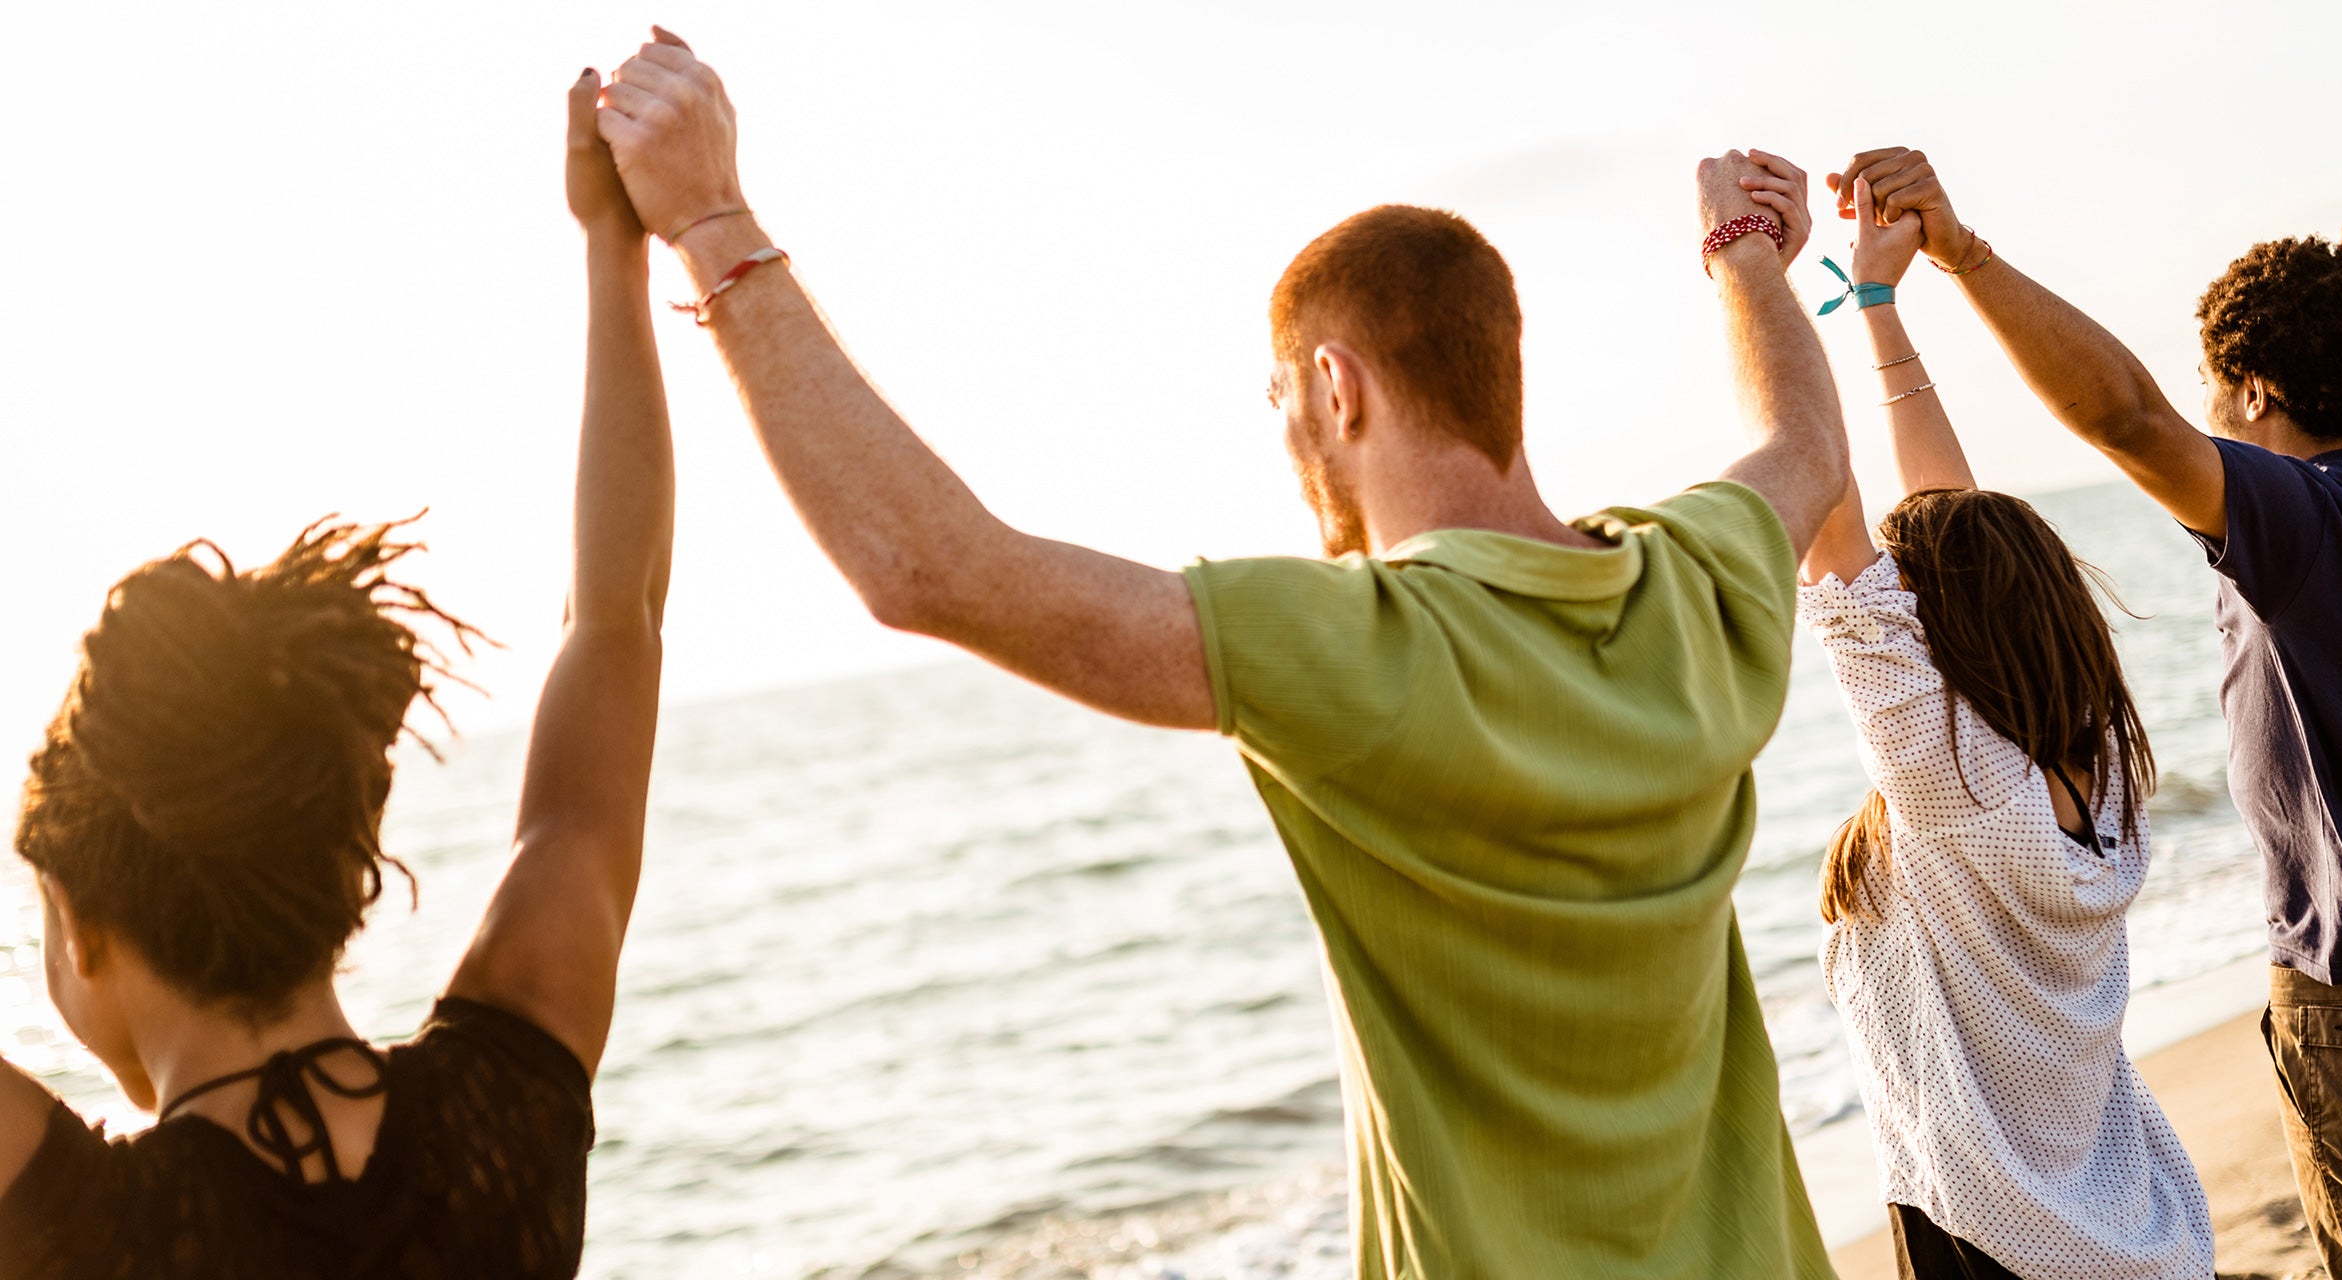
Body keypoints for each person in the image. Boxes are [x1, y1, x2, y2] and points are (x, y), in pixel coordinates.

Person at [591, 30, 1848, 1280]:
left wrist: (711, 221)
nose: (1288, 434)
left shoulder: (1362, 648)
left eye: (1280, 402)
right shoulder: (1693, 584)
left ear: (1335, 387)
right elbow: (1801, 445)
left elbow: (929, 568)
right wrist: (1744, 258)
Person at [1829, 148, 2342, 1279]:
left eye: (2210, 385)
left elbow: (2124, 418)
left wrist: (1967, 258)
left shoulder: (2293, 525)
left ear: (2254, 394)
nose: (2198, 409)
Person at [0, 69, 677, 1278]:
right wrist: (613, 244)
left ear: (83, 929)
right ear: (339, 861)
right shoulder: (509, 1098)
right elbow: (613, 620)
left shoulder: (85, 1224)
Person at [1771, 169, 2212, 1280]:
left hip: (1999, 1235)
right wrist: (1874, 302)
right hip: (2120, 1214)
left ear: (1938, 629)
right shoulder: (2094, 762)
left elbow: (1826, 507)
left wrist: (1762, 280)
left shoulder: (1950, 784)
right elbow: (1948, 521)